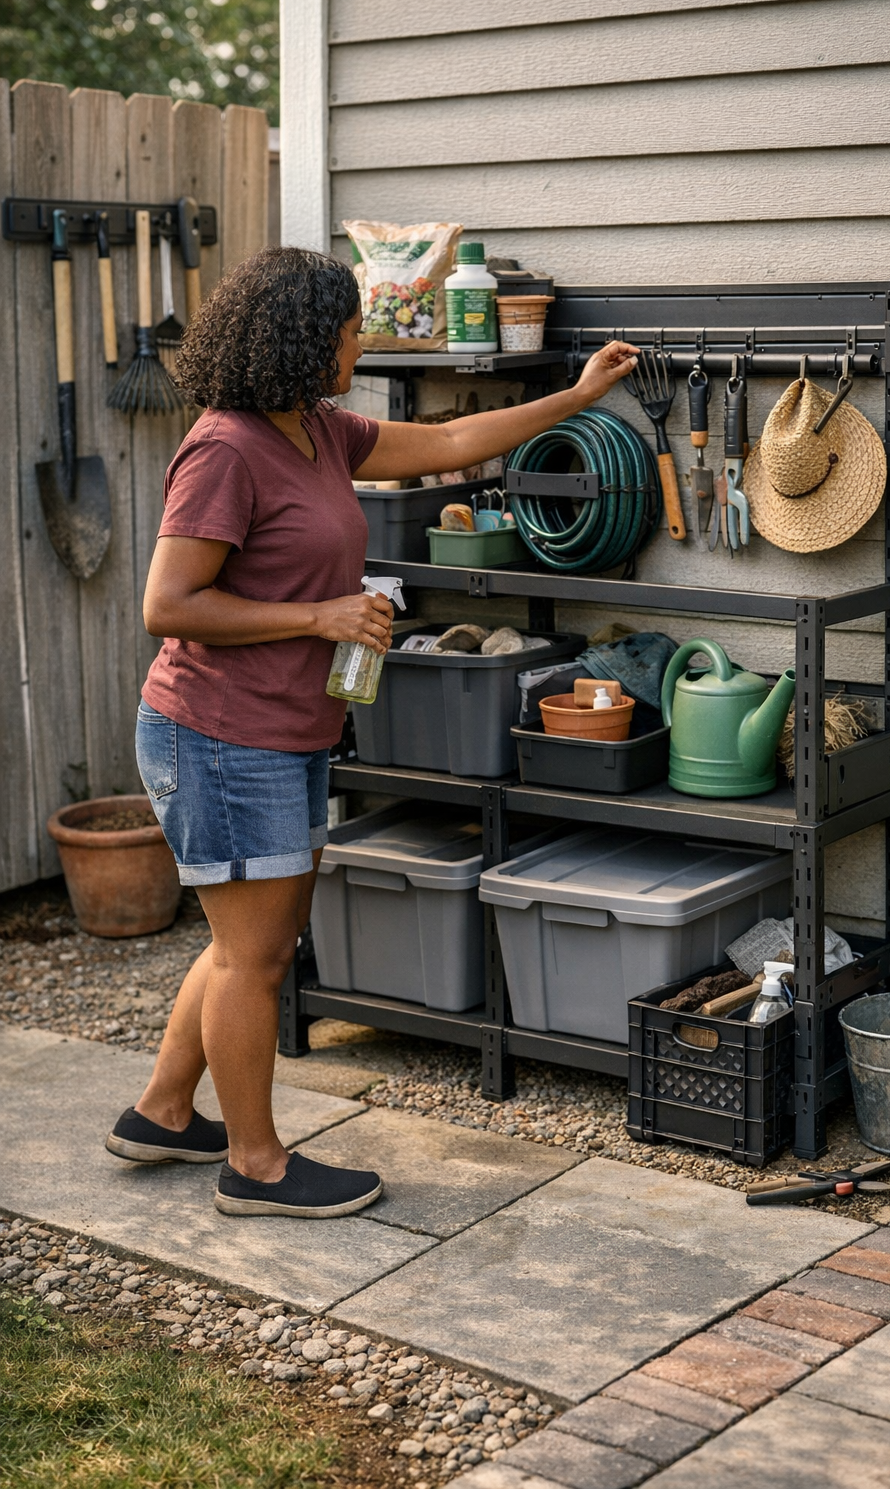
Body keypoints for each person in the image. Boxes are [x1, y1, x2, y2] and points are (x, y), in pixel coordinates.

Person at [105, 245, 638, 1218]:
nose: (359, 341)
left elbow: (450, 444)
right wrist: (319, 619)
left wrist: (579, 394)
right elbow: (168, 604)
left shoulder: (313, 430)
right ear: (306, 337)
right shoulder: (226, 448)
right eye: (351, 329)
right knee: (253, 958)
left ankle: (164, 1112)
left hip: (284, 729)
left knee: (242, 939)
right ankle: (256, 1168)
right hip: (222, 738)